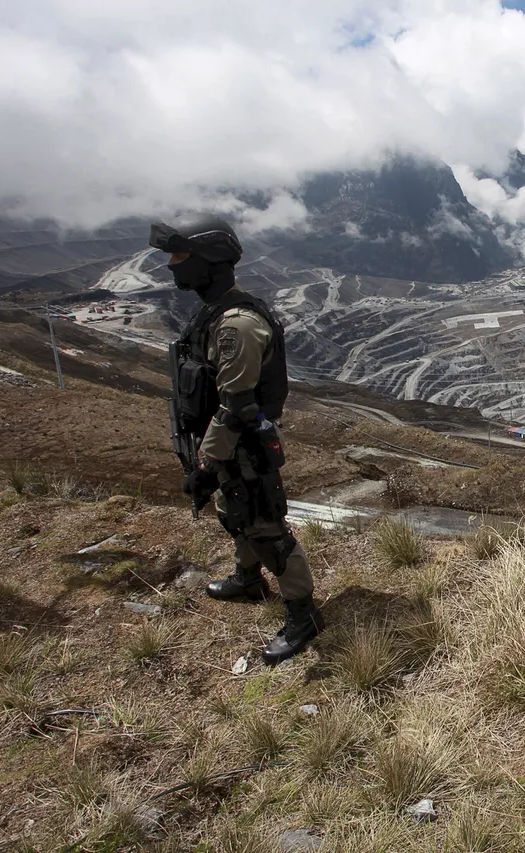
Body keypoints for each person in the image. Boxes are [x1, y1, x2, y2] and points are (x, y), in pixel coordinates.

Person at [150, 214, 324, 665]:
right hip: (224, 442)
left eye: (181, 256)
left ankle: (303, 614)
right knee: (234, 512)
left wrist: (207, 463)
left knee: (266, 528)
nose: (172, 265)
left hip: (239, 443)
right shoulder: (214, 314)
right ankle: (247, 579)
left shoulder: (237, 325)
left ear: (209, 262)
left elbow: (237, 407)